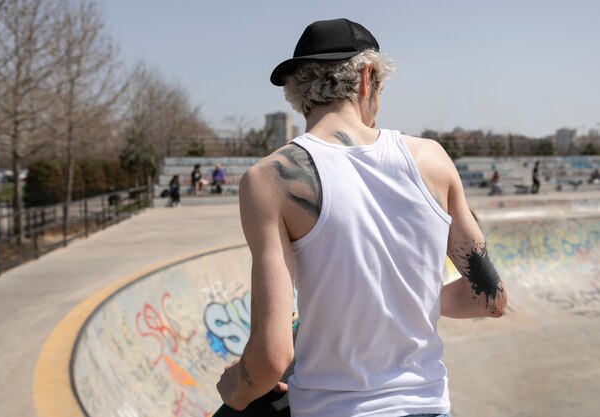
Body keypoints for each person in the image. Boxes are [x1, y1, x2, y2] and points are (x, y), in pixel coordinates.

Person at [217, 18, 507, 417]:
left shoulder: (270, 179)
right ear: (368, 78)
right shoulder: (432, 159)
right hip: (428, 407)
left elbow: (271, 357)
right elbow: (489, 298)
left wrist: (234, 390)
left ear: (296, 92)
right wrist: (402, 299)